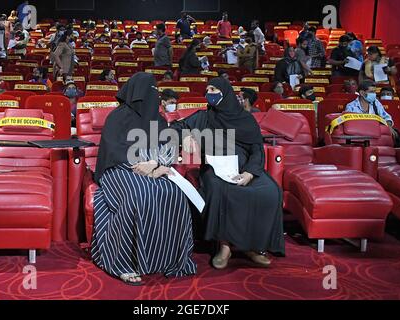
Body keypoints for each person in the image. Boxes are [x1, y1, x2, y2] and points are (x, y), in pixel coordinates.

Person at [92, 73, 197, 285]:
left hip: (152, 169)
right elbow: (113, 152)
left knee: (175, 193)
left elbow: (165, 148)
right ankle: (122, 262)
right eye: (149, 91)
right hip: (119, 170)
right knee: (139, 194)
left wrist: (158, 165)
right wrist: (142, 163)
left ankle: (168, 259)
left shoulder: (157, 119)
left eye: (154, 90)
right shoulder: (117, 117)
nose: (153, 95)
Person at [171, 77, 285, 269]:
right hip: (215, 168)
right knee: (221, 190)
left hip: (244, 167)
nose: (209, 93)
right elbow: (174, 128)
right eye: (207, 89)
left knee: (270, 191)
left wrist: (249, 172)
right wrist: (187, 134)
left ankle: (253, 246)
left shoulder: (245, 119)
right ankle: (224, 247)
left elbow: (257, 149)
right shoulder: (203, 117)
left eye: (214, 89)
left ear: (226, 93)